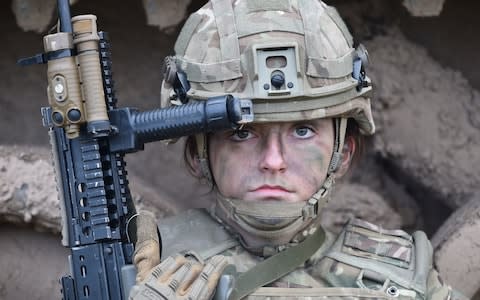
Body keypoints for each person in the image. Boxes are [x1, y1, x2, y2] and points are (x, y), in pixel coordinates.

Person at [129, 0, 466, 299]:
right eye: (242, 134)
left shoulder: (405, 275)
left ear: (343, 153)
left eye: (302, 131)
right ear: (197, 156)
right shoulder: (147, 268)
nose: (273, 161)